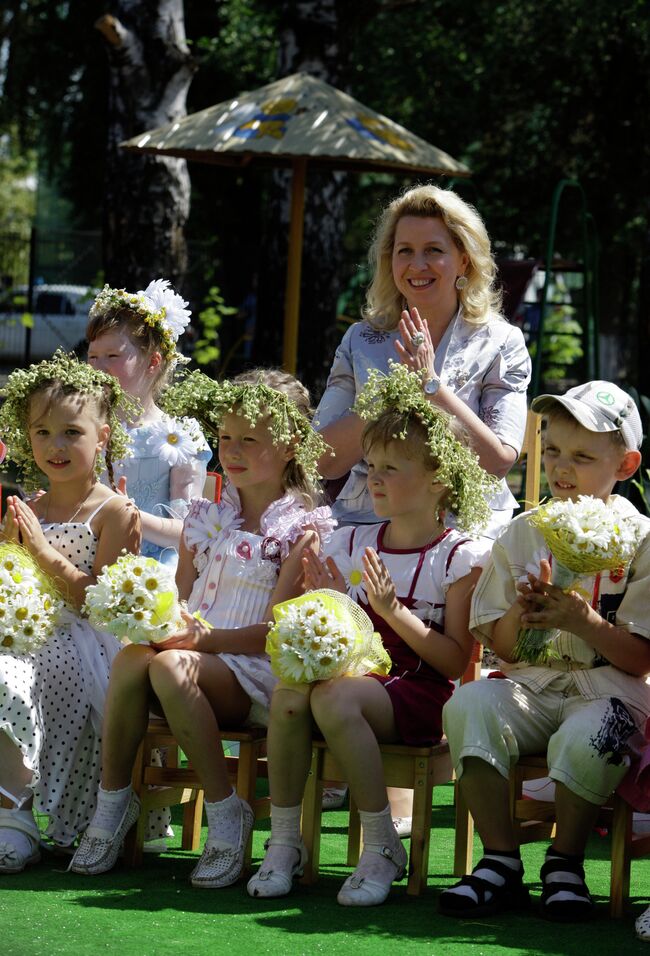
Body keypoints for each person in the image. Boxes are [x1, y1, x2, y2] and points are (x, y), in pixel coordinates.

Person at [70, 369, 335, 887]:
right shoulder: (205, 518)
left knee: (170, 666)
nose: (231, 451)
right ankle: (113, 802)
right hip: (194, 655)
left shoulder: (300, 531)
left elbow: (275, 633)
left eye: (249, 440)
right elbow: (183, 598)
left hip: (250, 672)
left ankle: (226, 810)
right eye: (226, 438)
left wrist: (200, 640)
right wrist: (153, 618)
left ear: (291, 445)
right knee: (131, 657)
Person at [247, 364, 497, 906]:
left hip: (421, 693)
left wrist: (390, 610)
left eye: (391, 468)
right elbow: (334, 631)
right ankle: (286, 842)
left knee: (334, 698)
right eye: (371, 466)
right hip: (358, 679)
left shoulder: (459, 556)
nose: (374, 479)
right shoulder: (352, 539)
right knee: (288, 696)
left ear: (438, 479)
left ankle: (381, 845)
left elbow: (455, 663)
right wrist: (332, 600)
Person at [439, 380, 650, 922]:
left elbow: (640, 660)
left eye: (582, 456)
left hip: (611, 690)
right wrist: (522, 611)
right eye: (553, 450)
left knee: (592, 735)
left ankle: (566, 862)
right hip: (531, 683)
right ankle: (501, 861)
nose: (562, 467)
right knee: (468, 706)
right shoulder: (523, 532)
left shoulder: (642, 538)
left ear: (624, 465)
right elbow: (501, 646)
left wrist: (583, 621)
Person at [316, 183, 531, 539]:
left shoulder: (501, 342)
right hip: (367, 523)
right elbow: (323, 459)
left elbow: (497, 463)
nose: (417, 265)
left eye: (433, 250)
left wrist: (431, 387)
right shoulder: (360, 339)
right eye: (405, 251)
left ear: (464, 259)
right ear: (390, 260)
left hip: (464, 527)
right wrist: (388, 398)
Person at [0, 352, 141, 871]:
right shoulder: (30, 507)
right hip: (26, 630)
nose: (55, 446)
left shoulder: (115, 512)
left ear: (101, 436)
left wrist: (40, 551)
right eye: (42, 433)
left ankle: (18, 814)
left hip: (88, 642)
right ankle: (10, 811)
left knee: (15, 670)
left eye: (71, 433)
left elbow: (103, 605)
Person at [86, 279, 211, 566]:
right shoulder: (81, 427)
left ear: (153, 362)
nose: (97, 367)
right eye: (92, 356)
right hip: (84, 558)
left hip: (151, 571)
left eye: (112, 356)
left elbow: (186, 531)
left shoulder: (181, 435)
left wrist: (129, 514)